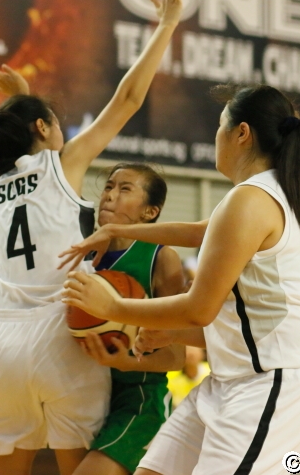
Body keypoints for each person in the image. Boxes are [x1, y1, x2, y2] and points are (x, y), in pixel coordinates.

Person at [61, 84, 300, 474]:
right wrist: (116, 233)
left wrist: (116, 308)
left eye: (219, 126)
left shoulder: (252, 200)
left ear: (241, 133)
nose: (215, 138)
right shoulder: (269, 194)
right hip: (235, 378)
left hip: (276, 380)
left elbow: (199, 310)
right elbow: (197, 233)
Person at [0, 0, 182, 474]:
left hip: (0, 341)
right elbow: (127, 100)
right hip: (61, 335)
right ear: (43, 130)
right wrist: (166, 24)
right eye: (52, 123)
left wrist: (22, 98)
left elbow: (24, 151)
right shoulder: (61, 164)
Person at [71, 163, 186, 475]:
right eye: (109, 187)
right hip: (84, 392)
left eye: (124, 189)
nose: (109, 196)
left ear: (149, 213)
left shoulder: (161, 258)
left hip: (137, 399)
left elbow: (176, 356)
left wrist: (126, 362)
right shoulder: (80, 253)